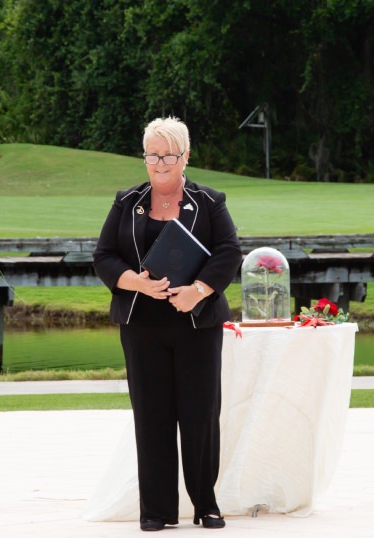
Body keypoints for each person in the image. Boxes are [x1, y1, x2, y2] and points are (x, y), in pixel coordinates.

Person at [94, 117, 242, 532]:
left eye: (168, 155)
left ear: (185, 156)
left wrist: (200, 289)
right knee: (152, 416)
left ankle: (205, 504)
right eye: (152, 155)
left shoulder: (210, 202)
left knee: (200, 416)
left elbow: (229, 251)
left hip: (197, 325)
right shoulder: (127, 202)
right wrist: (135, 283)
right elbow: (104, 256)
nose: (159, 164)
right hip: (142, 327)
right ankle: (156, 511)